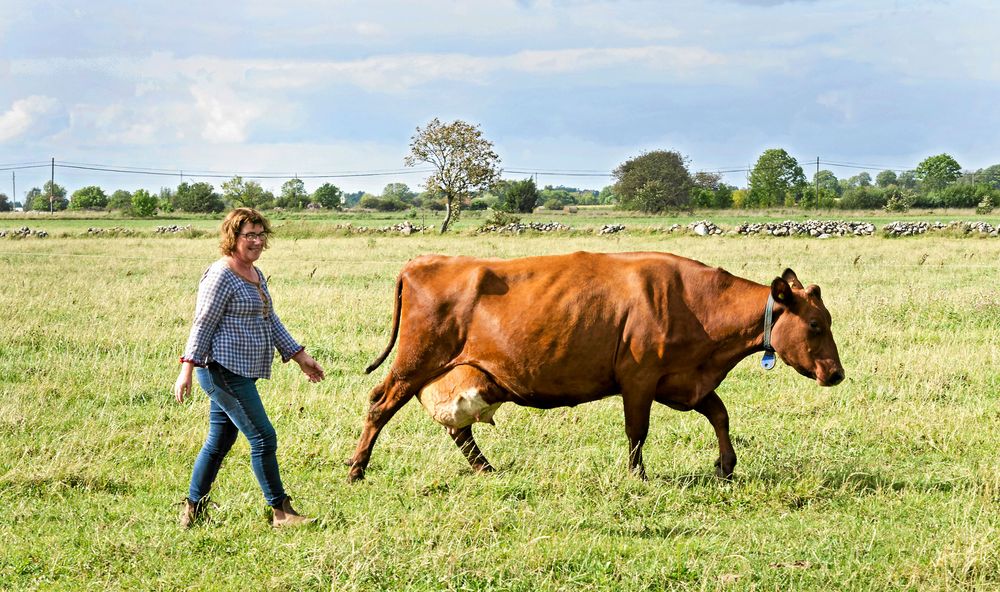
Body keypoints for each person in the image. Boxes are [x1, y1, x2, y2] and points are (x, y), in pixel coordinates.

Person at [173, 207, 325, 528]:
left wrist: (300, 357)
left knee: (219, 442)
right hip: (221, 370)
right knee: (263, 437)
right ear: (233, 238)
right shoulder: (221, 274)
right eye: (249, 235)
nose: (256, 241)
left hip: (242, 370)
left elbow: (270, 319)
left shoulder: (254, 273)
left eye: (260, 234)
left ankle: (192, 510)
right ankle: (281, 513)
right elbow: (203, 323)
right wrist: (186, 368)